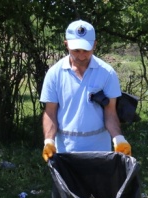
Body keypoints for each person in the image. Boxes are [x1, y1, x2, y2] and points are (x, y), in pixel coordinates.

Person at [40, 20, 131, 161]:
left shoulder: (107, 73)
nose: (81, 56)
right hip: (66, 151)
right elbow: (50, 112)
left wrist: (119, 139)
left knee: (99, 184)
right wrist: (49, 142)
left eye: (86, 50)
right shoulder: (54, 74)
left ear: (95, 45)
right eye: (76, 50)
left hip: (100, 151)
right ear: (66, 45)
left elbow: (110, 112)